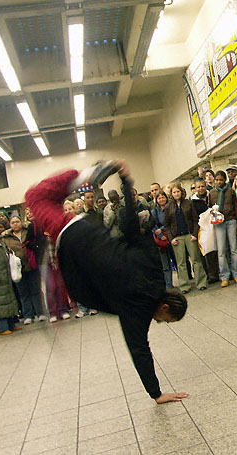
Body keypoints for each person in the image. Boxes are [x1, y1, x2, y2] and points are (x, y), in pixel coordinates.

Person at [24, 161, 189, 404]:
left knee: (40, 197)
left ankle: (85, 175)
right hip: (69, 242)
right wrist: (156, 394)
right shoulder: (137, 311)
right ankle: (83, 175)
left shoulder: (153, 273)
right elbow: (139, 351)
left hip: (84, 227)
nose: (160, 322)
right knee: (34, 196)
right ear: (165, 307)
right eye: (166, 320)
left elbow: (132, 227)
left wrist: (126, 182)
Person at [164, 184, 208, 292]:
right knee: (181, 263)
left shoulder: (189, 203)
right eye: (174, 192)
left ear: (181, 192)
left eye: (178, 191)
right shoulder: (168, 206)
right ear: (171, 194)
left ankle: (201, 282)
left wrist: (194, 234)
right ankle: (184, 286)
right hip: (177, 237)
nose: (176, 194)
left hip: (189, 235)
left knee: (196, 260)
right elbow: (166, 225)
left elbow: (195, 219)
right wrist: (171, 238)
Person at [2, 216, 45, 324]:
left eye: (17, 221)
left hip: (31, 264)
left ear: (21, 222)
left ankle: (40, 312)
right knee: (23, 293)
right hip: (18, 268)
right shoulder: (6, 237)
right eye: (13, 222)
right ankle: (28, 315)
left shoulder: (28, 231)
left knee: (36, 290)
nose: (15, 224)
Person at [207, 171, 237, 287]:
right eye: (217, 180)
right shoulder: (212, 193)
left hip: (231, 221)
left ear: (225, 180)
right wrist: (214, 212)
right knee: (221, 250)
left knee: (234, 249)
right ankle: (224, 276)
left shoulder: (231, 191)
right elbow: (209, 209)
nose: (219, 182)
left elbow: (236, 208)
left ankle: (236, 274)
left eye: (221, 179)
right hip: (218, 223)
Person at [150, 191, 174, 289]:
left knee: (178, 261)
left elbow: (173, 222)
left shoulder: (171, 208)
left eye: (163, 197)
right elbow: (152, 225)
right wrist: (160, 235)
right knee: (165, 264)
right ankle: (168, 285)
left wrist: (163, 230)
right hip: (161, 240)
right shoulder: (154, 211)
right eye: (159, 198)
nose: (161, 200)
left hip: (171, 236)